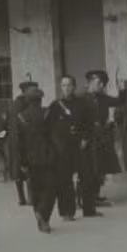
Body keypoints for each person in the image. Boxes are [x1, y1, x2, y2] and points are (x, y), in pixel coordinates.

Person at [77, 70, 123, 216]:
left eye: (103, 83)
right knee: (87, 171)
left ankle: (94, 197)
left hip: (101, 137)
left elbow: (118, 101)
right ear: (89, 83)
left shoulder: (102, 98)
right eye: (98, 82)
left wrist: (121, 88)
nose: (101, 85)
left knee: (100, 168)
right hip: (88, 138)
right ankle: (82, 199)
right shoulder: (81, 98)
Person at [16, 87, 57, 233]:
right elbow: (55, 136)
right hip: (48, 157)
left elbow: (18, 142)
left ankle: (40, 217)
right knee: (51, 188)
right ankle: (43, 215)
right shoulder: (47, 113)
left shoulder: (20, 117)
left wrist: (21, 162)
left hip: (30, 159)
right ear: (40, 99)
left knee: (36, 188)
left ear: (27, 100)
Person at [46, 75, 85, 222]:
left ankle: (84, 205)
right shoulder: (55, 106)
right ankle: (67, 211)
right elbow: (48, 127)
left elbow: (87, 124)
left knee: (82, 177)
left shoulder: (81, 104)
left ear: (74, 86)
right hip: (62, 149)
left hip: (78, 146)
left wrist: (85, 138)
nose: (66, 88)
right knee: (64, 180)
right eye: (63, 85)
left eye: (69, 85)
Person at [7, 82, 39, 206]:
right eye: (33, 90)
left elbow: (5, 127)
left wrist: (0, 137)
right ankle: (31, 198)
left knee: (17, 169)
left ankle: (21, 198)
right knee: (29, 168)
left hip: (13, 142)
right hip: (25, 141)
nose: (35, 93)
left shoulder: (12, 105)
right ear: (25, 91)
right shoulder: (27, 105)